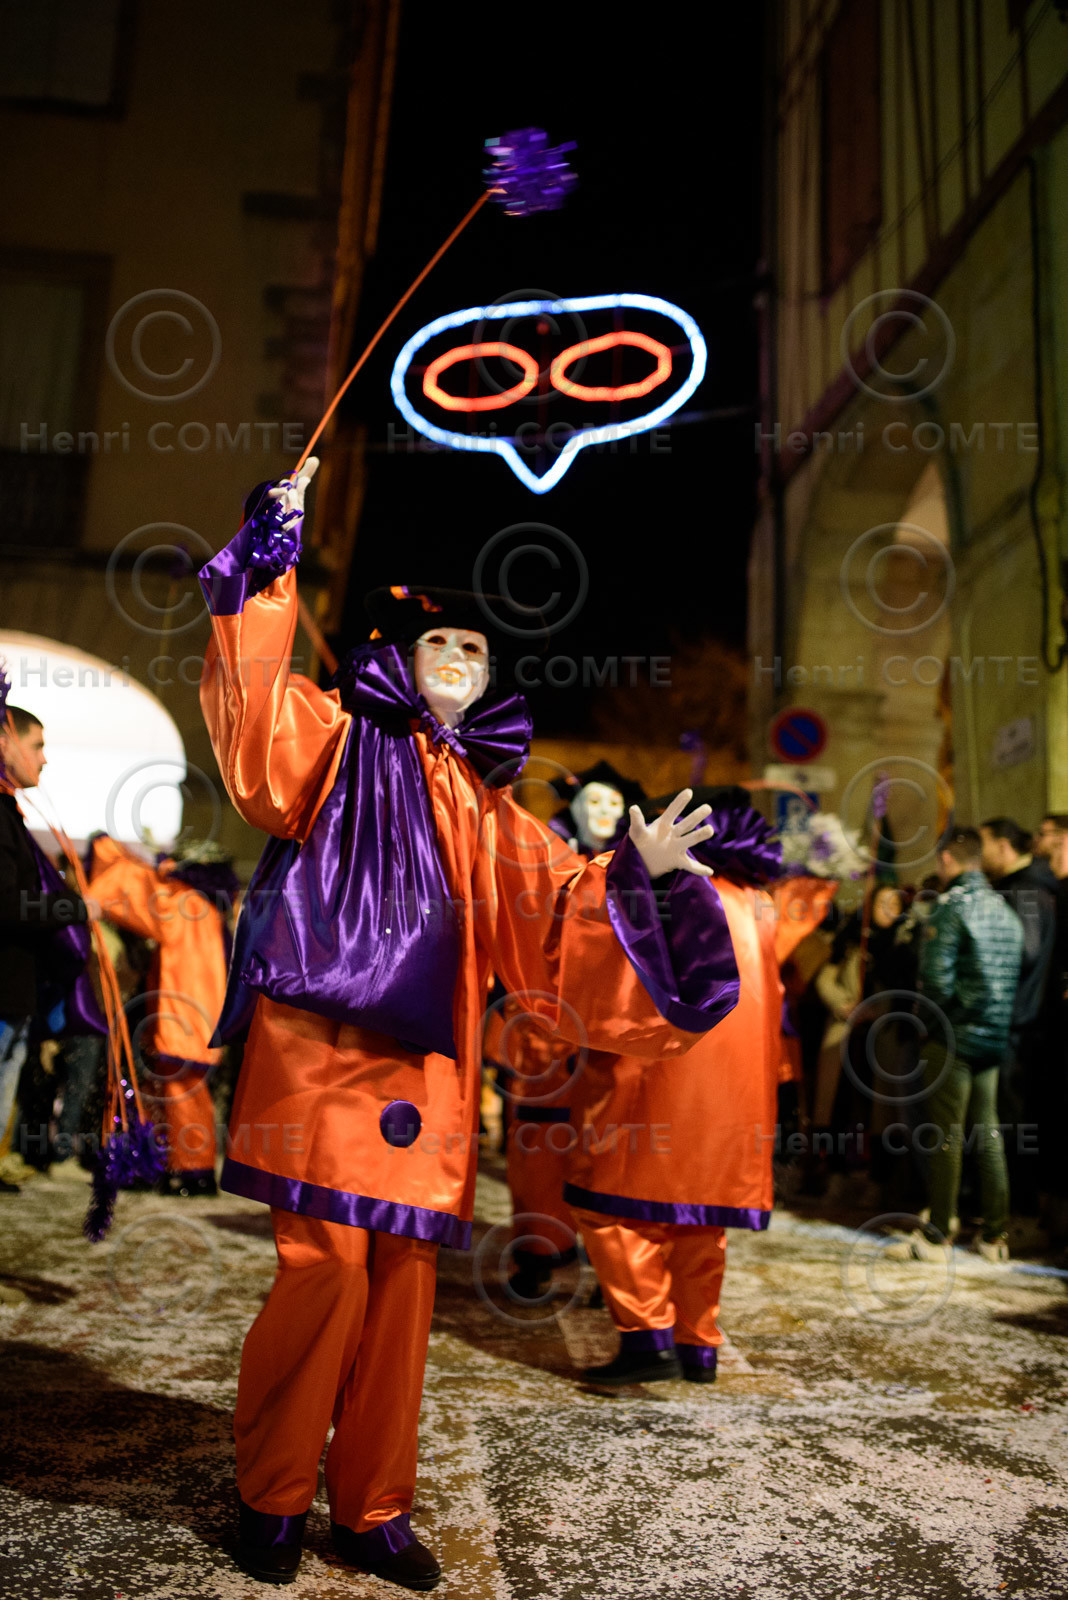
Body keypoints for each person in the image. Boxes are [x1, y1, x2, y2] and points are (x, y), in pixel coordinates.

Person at [197, 462, 741, 1590]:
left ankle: (373, 1505)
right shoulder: (338, 738)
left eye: (477, 654)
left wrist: (635, 874)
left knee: (400, 1291)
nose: (458, 660)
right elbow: (253, 713)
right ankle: (274, 1494)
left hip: (430, 1080)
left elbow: (558, 913)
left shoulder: (493, 808)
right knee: (325, 1270)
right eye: (442, 645)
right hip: (324, 1059)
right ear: (403, 659)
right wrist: (271, 558)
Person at [563, 787, 796, 1386]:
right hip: (737, 1092)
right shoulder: (758, 902)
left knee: (611, 1205)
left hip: (659, 1073)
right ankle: (699, 1343)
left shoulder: (664, 888)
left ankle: (648, 1337)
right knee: (702, 1219)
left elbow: (616, 967)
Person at [87, 835, 237, 1196]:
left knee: (180, 1095)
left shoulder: (181, 903)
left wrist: (107, 855)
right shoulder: (211, 909)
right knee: (190, 1094)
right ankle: (184, 1167)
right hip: (203, 1017)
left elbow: (135, 895)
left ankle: (191, 1170)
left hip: (182, 1017)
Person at [905, 827, 1023, 1263]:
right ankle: (995, 1235)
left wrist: (937, 1023)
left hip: (953, 1036)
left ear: (948, 861)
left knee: (946, 1135)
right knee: (988, 1132)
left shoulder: (949, 909)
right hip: (993, 1037)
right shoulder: (1004, 909)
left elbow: (935, 980)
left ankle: (937, 1234)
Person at [0, 699, 98, 1192]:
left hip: (14, 995)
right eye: (37, 745)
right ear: (4, 740)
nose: (44, 758)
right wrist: (78, 909)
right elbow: (7, 906)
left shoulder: (10, 813)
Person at [980, 818, 1057, 1215]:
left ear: (1004, 846)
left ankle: (1018, 1212)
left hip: (1017, 1024)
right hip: (1014, 1022)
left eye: (985, 844)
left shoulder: (1026, 891)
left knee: (1014, 1124)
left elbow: (1024, 951)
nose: (981, 854)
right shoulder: (1021, 888)